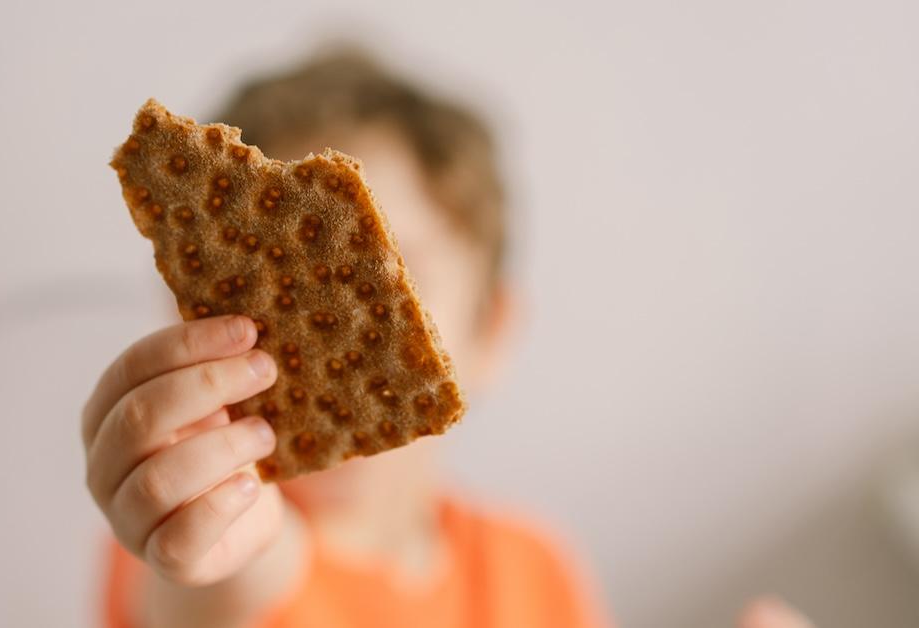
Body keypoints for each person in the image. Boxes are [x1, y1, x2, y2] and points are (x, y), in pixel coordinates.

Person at [80, 48, 816, 628]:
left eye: (390, 280)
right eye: (247, 303)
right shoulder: (217, 539)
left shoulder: (535, 569)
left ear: (491, 329)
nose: (318, 342)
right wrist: (217, 534)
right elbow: (223, 579)